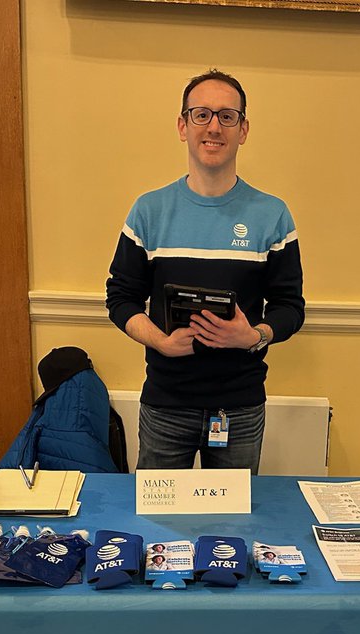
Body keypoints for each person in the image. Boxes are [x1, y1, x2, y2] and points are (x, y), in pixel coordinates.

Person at [105, 69, 305, 475]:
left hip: (239, 407)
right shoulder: (148, 211)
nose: (214, 126)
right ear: (183, 126)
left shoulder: (273, 215)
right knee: (158, 530)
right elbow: (120, 298)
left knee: (231, 530)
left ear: (243, 129)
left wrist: (254, 337)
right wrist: (160, 341)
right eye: (201, 114)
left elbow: (290, 307)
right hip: (165, 403)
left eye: (227, 116)